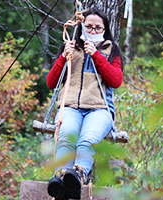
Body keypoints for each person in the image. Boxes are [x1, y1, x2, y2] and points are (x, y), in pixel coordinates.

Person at [46, 8, 123, 200]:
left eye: (98, 28)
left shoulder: (111, 50)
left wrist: (97, 55)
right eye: (89, 27)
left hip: (100, 109)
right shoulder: (71, 48)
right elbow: (51, 83)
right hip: (71, 106)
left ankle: (78, 175)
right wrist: (64, 57)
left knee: (87, 140)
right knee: (65, 136)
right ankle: (61, 180)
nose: (93, 31)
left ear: (105, 29)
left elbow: (116, 80)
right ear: (81, 27)